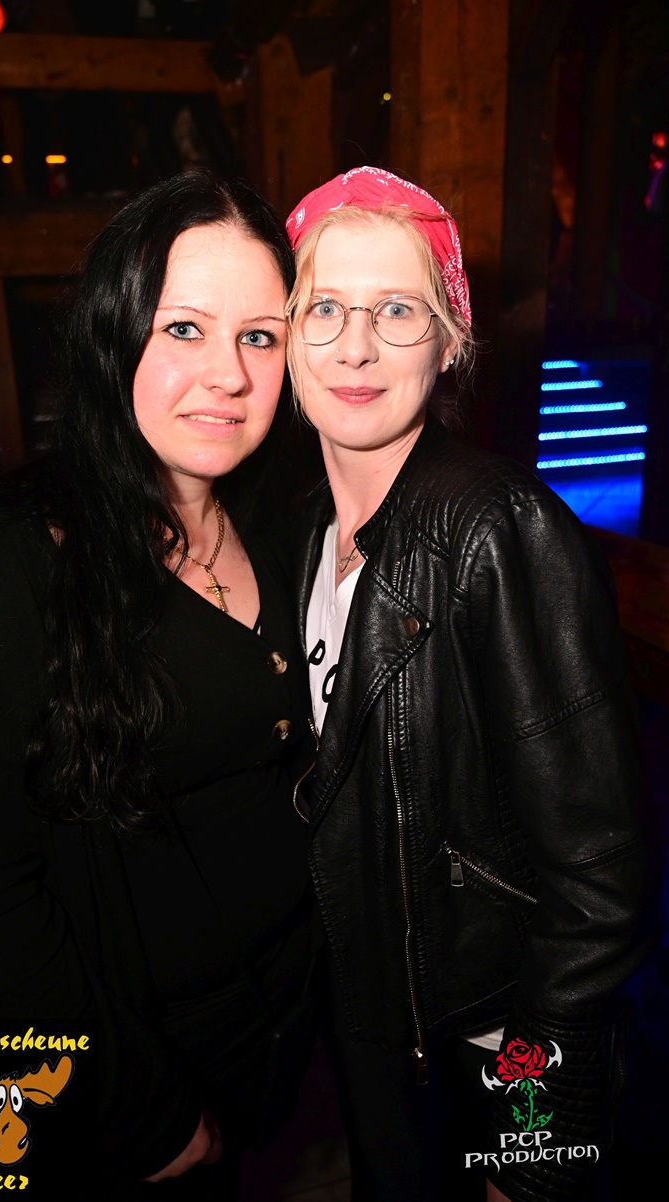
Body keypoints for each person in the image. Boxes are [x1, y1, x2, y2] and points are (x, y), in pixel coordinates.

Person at [0, 172, 317, 1200]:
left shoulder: (280, 521)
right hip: (91, 1090)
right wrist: (134, 1106)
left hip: (260, 1044)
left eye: (259, 336)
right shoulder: (5, 569)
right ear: (112, 333)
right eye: (183, 328)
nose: (228, 375)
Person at [284, 166, 656, 1202]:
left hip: (488, 1046)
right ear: (287, 333)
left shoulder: (499, 528)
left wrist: (532, 1140)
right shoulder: (305, 528)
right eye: (325, 307)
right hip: (380, 1031)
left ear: (449, 341)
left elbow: (601, 878)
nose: (354, 346)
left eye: (397, 310)